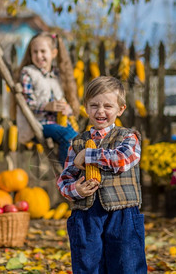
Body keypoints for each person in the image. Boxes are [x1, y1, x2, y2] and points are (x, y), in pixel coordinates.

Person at [57, 76, 147, 273]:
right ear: (86, 107)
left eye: (108, 106)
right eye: (94, 105)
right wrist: (76, 190)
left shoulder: (128, 137)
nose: (100, 111)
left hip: (122, 213)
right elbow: (64, 178)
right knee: (88, 264)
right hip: (87, 216)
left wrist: (88, 156)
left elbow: (123, 159)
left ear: (120, 109)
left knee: (127, 264)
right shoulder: (77, 142)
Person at [17, 32, 79, 166]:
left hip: (57, 123)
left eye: (43, 51)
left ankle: (78, 172)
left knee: (79, 140)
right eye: (35, 52)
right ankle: (67, 173)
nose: (39, 56)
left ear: (54, 53)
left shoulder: (56, 75)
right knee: (67, 136)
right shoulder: (28, 73)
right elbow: (26, 103)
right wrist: (47, 106)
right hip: (39, 124)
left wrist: (66, 109)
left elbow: (60, 99)